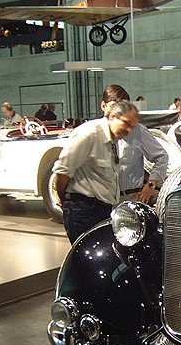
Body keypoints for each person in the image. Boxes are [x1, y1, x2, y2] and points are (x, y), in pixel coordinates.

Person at [52, 99, 139, 244]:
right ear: (113, 116)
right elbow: (62, 171)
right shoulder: (89, 134)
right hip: (83, 210)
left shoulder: (113, 140)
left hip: (102, 210)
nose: (129, 130)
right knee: (86, 256)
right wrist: (65, 202)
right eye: (127, 123)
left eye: (133, 127)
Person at [100, 84, 168, 205]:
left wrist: (151, 185)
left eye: (123, 107)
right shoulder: (94, 132)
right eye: (114, 106)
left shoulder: (137, 131)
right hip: (102, 200)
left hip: (130, 199)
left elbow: (161, 157)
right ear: (103, 106)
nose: (119, 112)